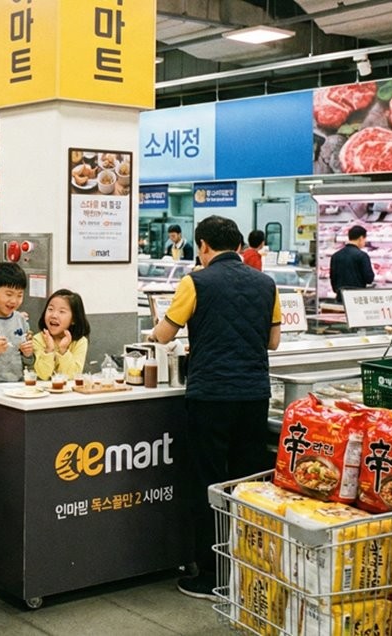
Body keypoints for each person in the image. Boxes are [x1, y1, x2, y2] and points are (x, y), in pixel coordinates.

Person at [150, 215, 281, 600]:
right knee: (247, 484)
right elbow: (272, 342)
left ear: (203, 246)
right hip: (254, 394)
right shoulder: (266, 283)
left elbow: (163, 334)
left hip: (211, 395)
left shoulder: (195, 281)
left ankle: (212, 576)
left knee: (209, 483)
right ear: (238, 245)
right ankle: (247, 571)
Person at [31, 289, 91, 380]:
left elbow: (72, 376)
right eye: (50, 309)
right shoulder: (38, 339)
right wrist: (49, 350)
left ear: (74, 319)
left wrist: (63, 351)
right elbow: (43, 375)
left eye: (62, 311)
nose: (54, 315)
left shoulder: (80, 341)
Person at [329, 224, 375, 302]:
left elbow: (333, 278)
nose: (365, 242)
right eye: (365, 239)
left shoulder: (335, 256)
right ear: (361, 238)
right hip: (357, 298)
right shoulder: (362, 256)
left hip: (341, 296)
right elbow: (369, 278)